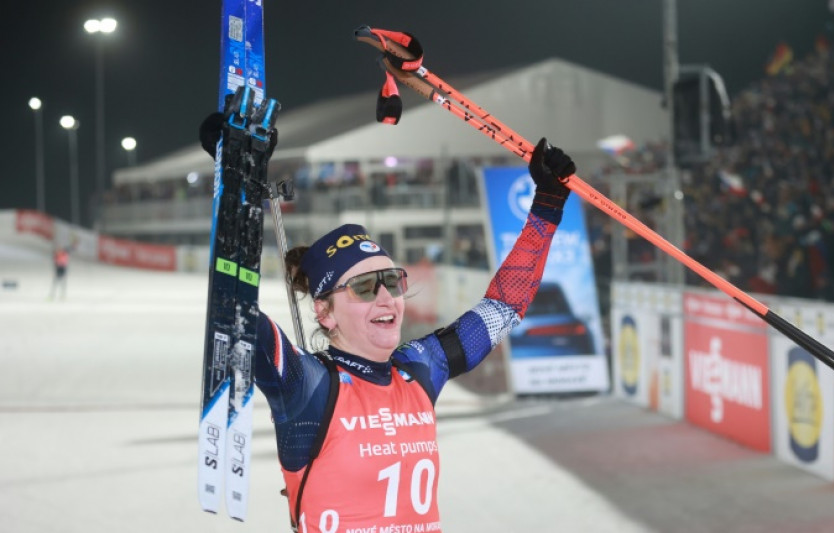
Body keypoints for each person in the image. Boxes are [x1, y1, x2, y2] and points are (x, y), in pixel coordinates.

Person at [202, 122, 575, 530]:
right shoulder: (307, 384)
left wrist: (547, 204)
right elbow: (235, 307)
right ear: (325, 312)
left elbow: (503, 306)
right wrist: (239, 177)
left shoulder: (419, 368)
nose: (385, 297)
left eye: (392, 280)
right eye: (363, 287)